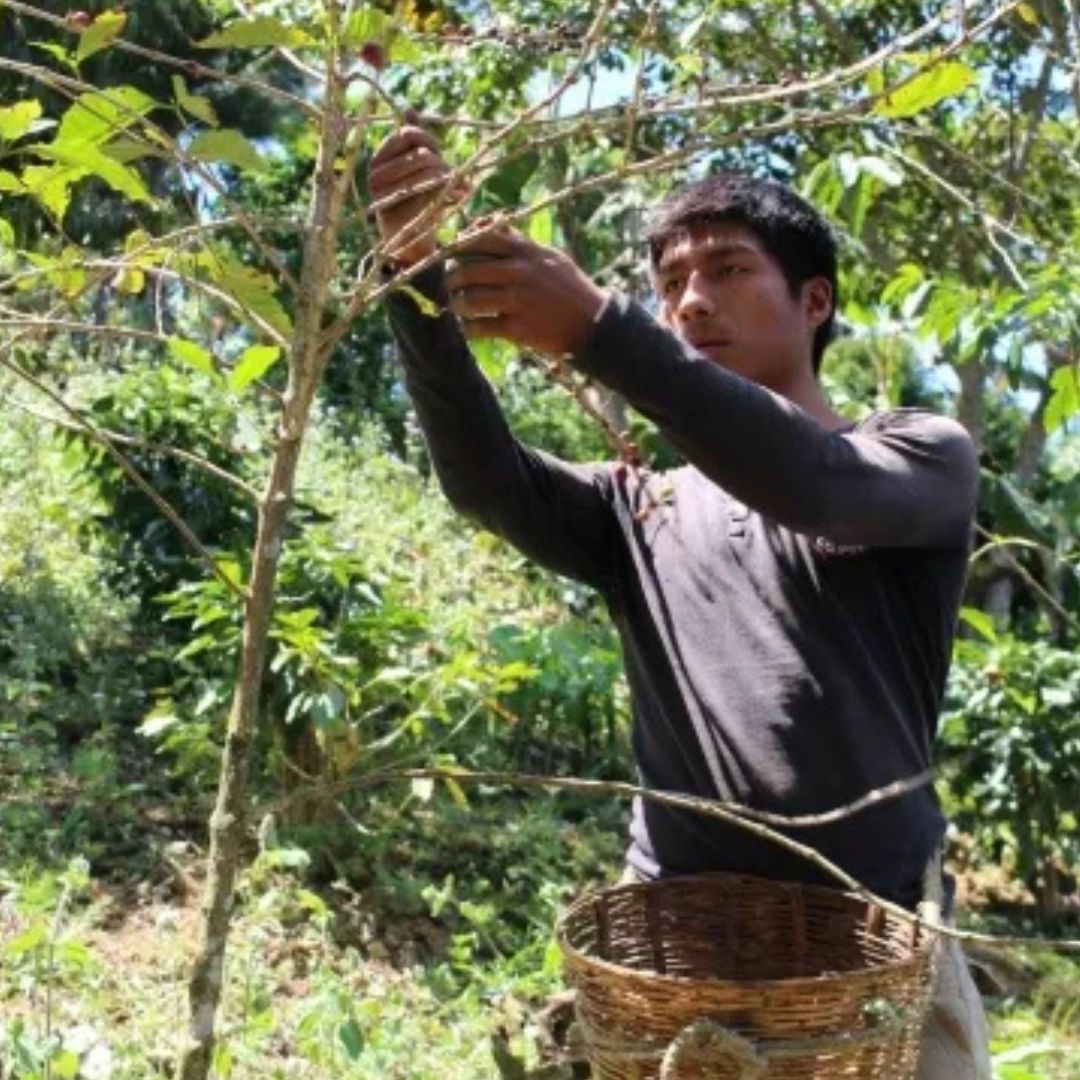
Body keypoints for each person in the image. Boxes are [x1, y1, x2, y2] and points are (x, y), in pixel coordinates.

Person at [367, 123, 990, 1078]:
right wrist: (415, 285)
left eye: (728, 268)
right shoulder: (639, 507)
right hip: (671, 951)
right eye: (669, 285)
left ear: (815, 301)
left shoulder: (919, 455)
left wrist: (600, 329)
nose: (691, 300)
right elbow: (487, 483)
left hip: (879, 942)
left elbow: (816, 483)